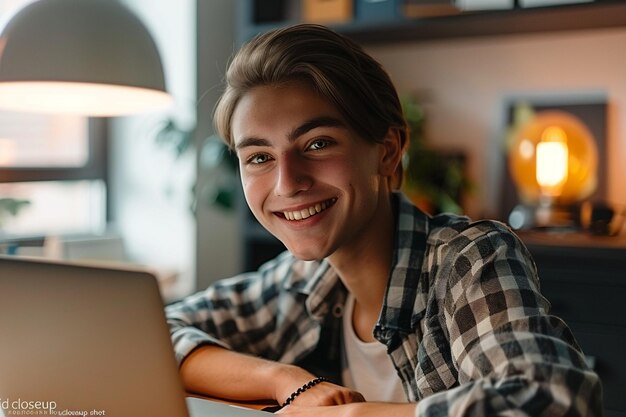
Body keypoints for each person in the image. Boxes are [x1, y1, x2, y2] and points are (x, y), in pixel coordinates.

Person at [165, 23, 601, 417]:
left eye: (317, 144)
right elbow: (156, 335)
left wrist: (352, 416)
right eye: (259, 157)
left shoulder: (466, 259)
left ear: (388, 151)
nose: (287, 183)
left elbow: (549, 399)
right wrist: (283, 380)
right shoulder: (299, 280)